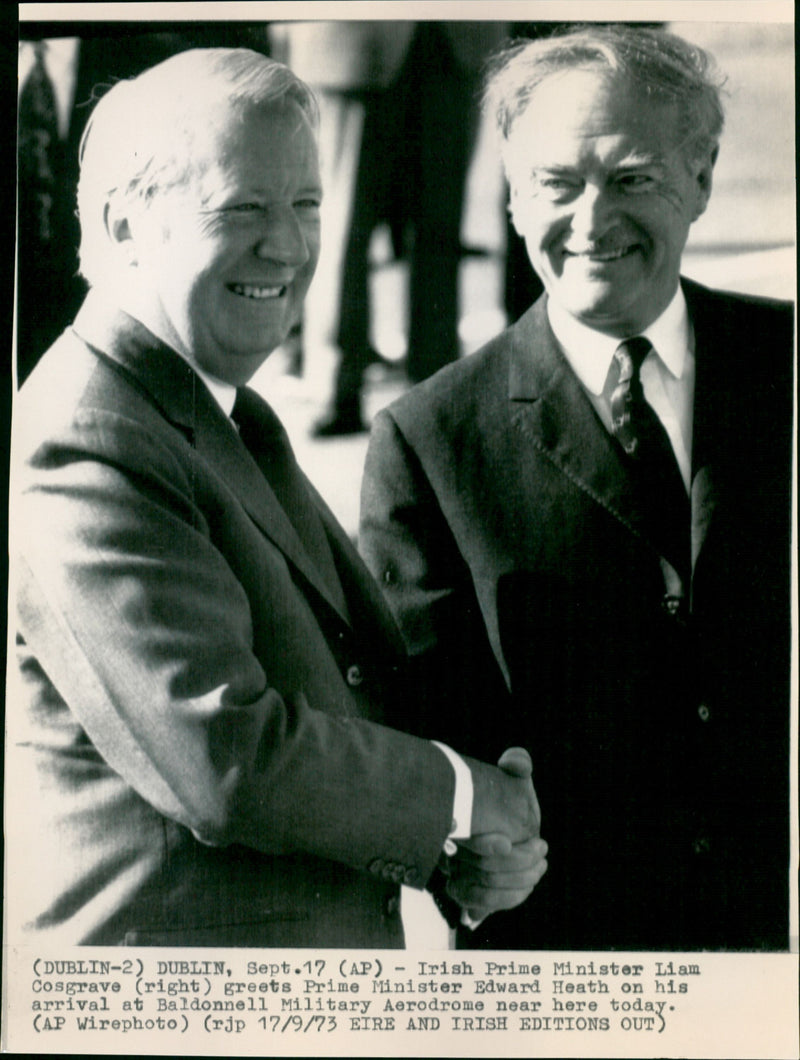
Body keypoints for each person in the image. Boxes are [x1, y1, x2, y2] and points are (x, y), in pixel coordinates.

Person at [9, 48, 549, 947]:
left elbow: (338, 688)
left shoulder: (218, 410)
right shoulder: (87, 438)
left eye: (306, 205)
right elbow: (228, 759)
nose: (289, 245)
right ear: (125, 224)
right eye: (241, 207)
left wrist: (451, 848)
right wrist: (462, 796)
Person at [360, 25, 793, 951]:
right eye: (557, 184)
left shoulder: (785, 363)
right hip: (575, 957)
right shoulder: (429, 440)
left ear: (702, 178)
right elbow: (425, 734)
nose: (592, 222)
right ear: (514, 198)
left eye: (632, 178)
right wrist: (460, 861)